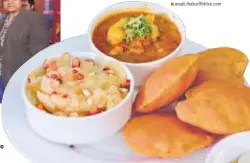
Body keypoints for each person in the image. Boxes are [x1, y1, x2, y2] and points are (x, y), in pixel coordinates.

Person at [0, 0, 50, 96]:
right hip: (2, 76)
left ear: (22, 1)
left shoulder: (34, 19)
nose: (10, 2)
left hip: (19, 78)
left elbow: (39, 54)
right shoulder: (2, 21)